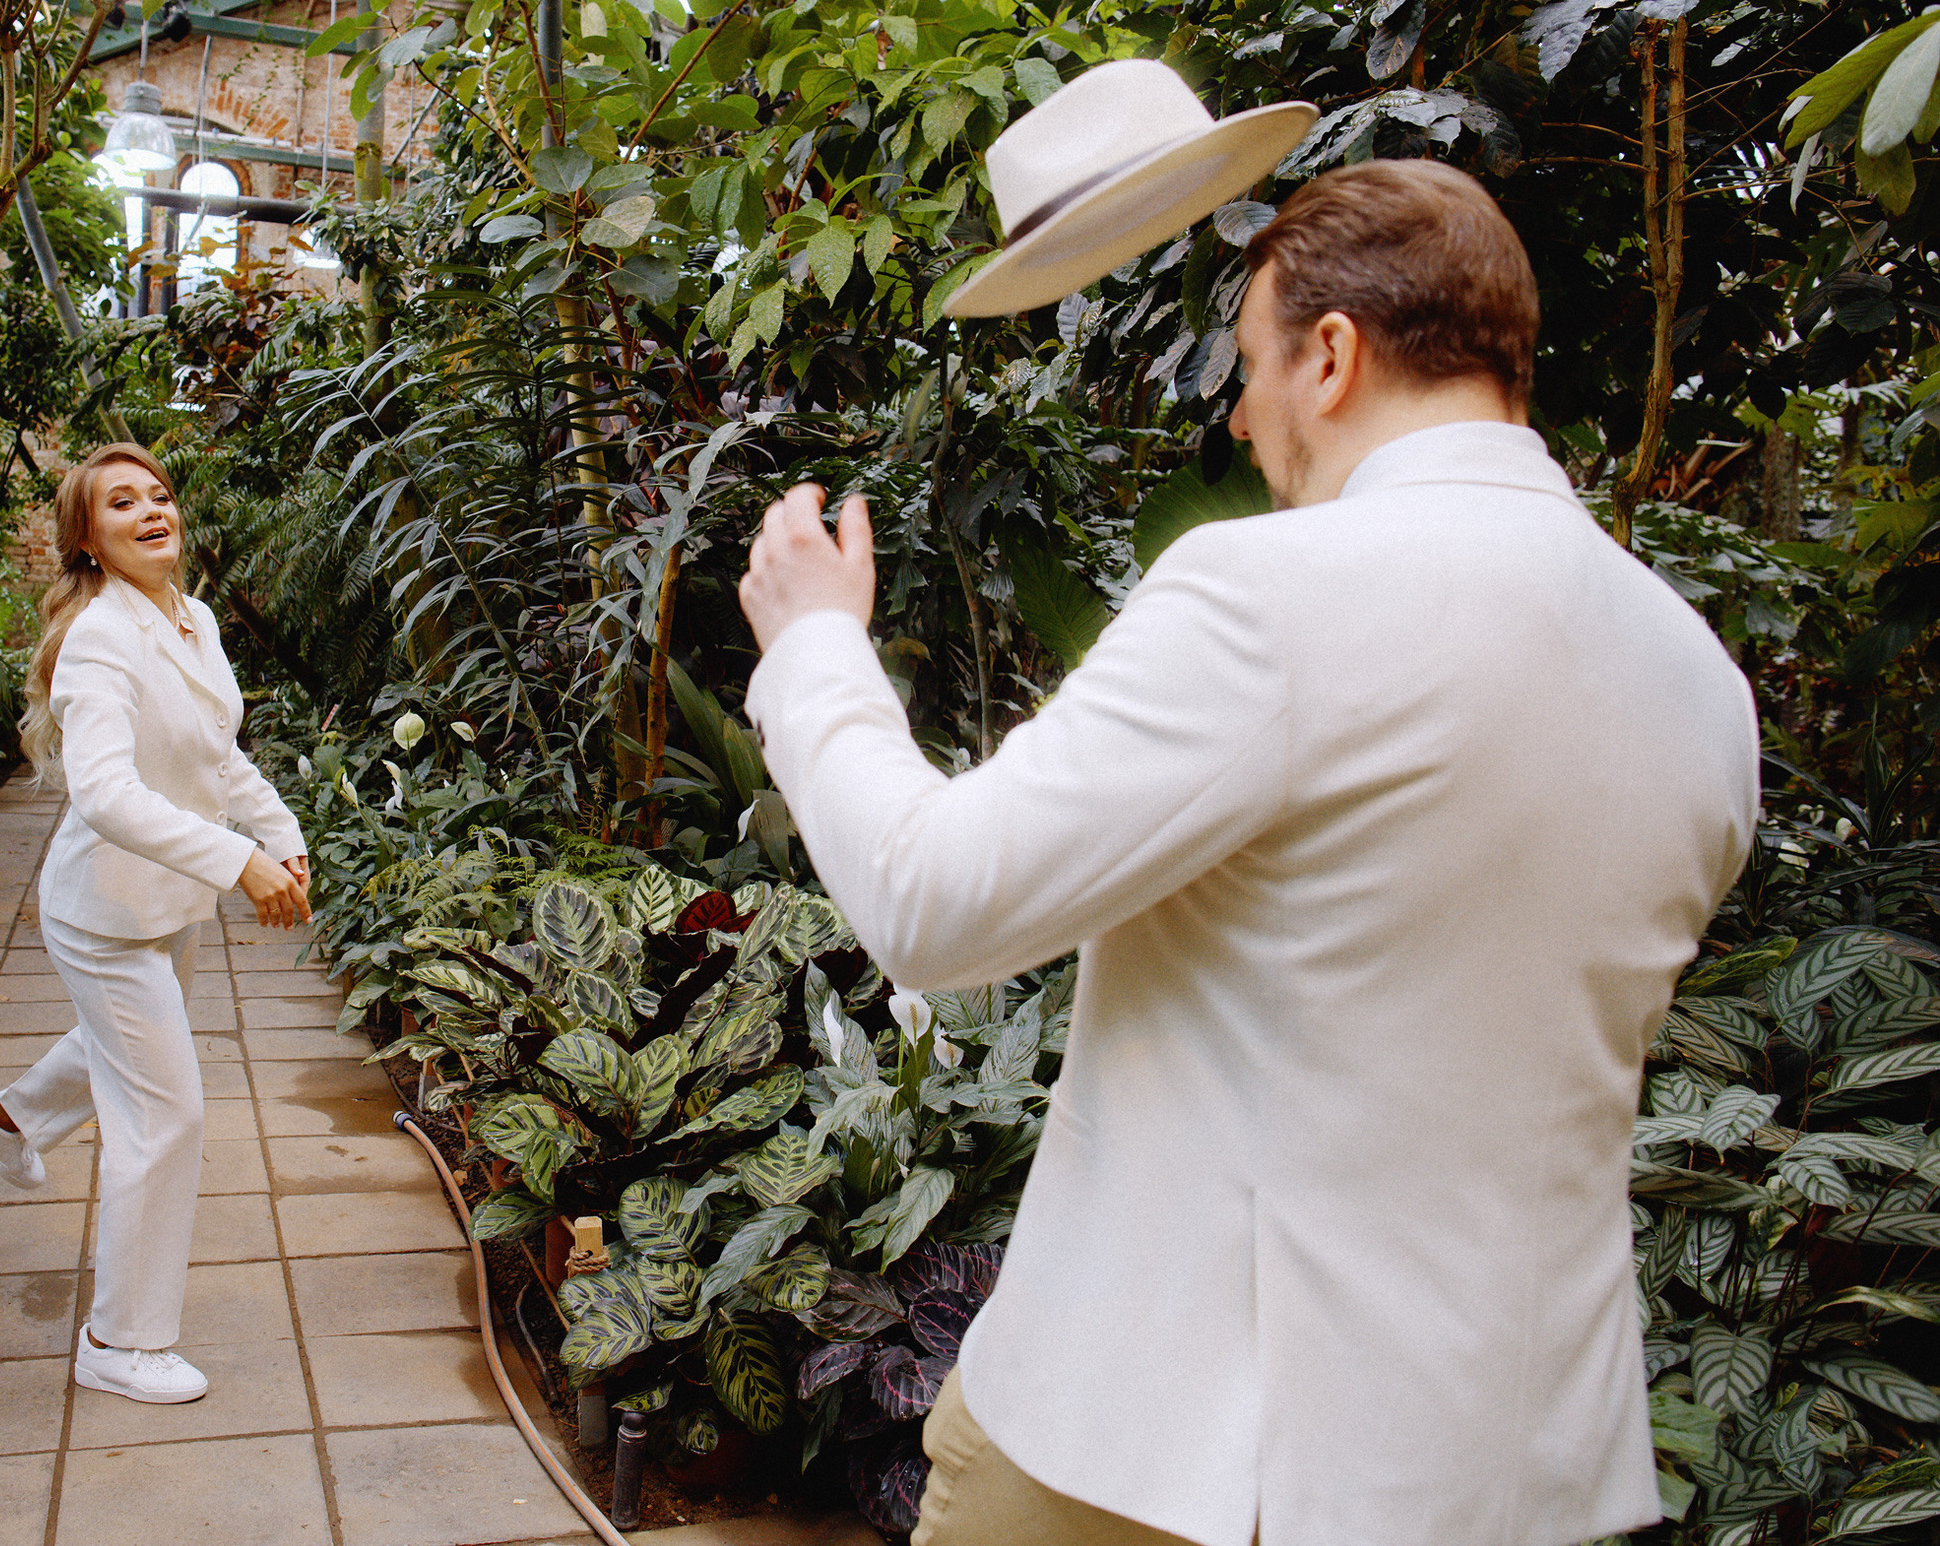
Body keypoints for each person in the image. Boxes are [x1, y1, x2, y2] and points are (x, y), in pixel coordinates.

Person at [738, 157, 1760, 1546]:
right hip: (1510, 1476)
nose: (1242, 411)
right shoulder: (1698, 680)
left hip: (1166, 1462)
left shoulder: (1270, 597)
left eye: (1251, 366)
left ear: (1331, 356)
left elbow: (937, 899)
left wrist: (814, 652)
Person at [0, 442, 312, 1406]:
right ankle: (120, 1341)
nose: (153, 511)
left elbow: (220, 758)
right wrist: (240, 862)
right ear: (88, 541)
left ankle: (7, 1116)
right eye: (122, 504)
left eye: (159, 495)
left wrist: (283, 836)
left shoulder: (190, 620)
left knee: (120, 1053)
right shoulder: (99, 639)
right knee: (164, 1111)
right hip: (104, 913)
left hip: (167, 902)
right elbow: (104, 793)